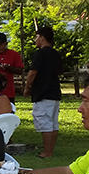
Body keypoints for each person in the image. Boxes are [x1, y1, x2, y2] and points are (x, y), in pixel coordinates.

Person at [24, 27, 62, 158]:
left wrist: (27, 87)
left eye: (36, 37)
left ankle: (46, 152)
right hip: (54, 92)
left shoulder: (40, 54)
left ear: (42, 37)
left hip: (43, 93)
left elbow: (32, 72)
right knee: (53, 123)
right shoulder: (56, 54)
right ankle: (50, 150)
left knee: (45, 123)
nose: (35, 40)